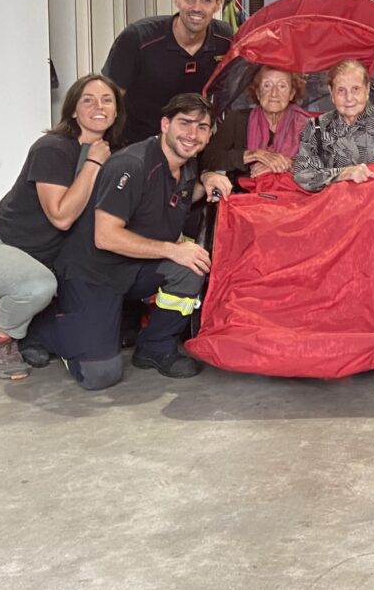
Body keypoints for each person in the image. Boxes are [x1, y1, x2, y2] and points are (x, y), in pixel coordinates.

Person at [32, 93, 232, 390]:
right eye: (185, 123)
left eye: (202, 127)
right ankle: (40, 327)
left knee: (193, 266)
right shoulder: (132, 164)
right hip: (94, 274)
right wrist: (172, 249)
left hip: (136, 268)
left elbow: (179, 196)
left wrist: (209, 179)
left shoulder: (187, 165)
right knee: (100, 375)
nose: (192, 134)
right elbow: (105, 236)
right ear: (165, 124)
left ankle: (155, 346)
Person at [0, 74, 124, 380]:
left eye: (106, 100)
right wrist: (93, 163)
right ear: (73, 110)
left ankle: (33, 334)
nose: (98, 106)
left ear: (116, 111)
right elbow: (61, 216)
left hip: (45, 258)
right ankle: (1, 336)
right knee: (38, 286)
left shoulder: (111, 152)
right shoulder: (52, 148)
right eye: (87, 99)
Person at [101, 0, 234, 147]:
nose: (196, 8)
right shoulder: (138, 38)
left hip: (189, 144)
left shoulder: (225, 39)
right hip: (135, 143)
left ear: (218, 5)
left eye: (206, 0)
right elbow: (107, 98)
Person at [292, 59, 374, 192]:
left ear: (367, 90)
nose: (349, 98)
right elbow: (302, 175)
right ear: (332, 94)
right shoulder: (315, 127)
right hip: (332, 207)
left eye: (356, 89)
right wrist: (343, 174)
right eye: (341, 90)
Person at [199, 66, 310, 187]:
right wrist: (253, 155)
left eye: (282, 86)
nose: (274, 93)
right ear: (257, 92)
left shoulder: (308, 124)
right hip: (245, 197)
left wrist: (287, 164)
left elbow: (323, 167)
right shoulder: (237, 119)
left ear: (292, 94)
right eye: (267, 85)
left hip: (294, 199)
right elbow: (208, 158)